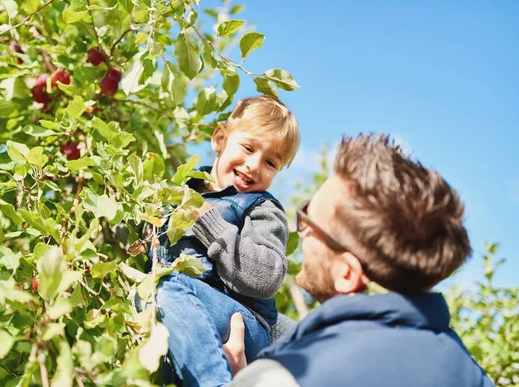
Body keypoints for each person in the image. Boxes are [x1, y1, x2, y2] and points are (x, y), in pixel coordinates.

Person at [225, 134, 494, 387]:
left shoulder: (286, 375)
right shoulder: (474, 376)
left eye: (307, 220)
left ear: (346, 273)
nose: (301, 231)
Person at [148, 95, 300, 386]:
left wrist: (211, 225)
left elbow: (267, 277)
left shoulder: (261, 208)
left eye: (270, 162)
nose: (254, 165)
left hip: (241, 323)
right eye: (248, 147)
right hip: (181, 318)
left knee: (167, 286)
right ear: (219, 139)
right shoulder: (178, 191)